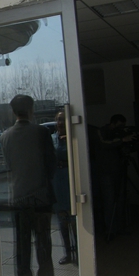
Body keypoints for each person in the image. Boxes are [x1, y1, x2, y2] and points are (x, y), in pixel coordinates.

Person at [0, 94, 61, 276]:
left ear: (13, 112)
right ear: (31, 110)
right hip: (41, 194)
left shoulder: (5, 136)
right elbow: (51, 162)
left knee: (22, 241)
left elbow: (9, 165)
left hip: (18, 196)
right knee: (43, 240)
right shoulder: (41, 132)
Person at [95, 113, 137, 239]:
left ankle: (119, 228)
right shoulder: (102, 131)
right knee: (109, 201)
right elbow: (104, 143)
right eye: (119, 125)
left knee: (120, 200)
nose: (121, 128)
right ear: (112, 123)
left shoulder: (120, 133)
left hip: (119, 170)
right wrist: (122, 140)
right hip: (106, 171)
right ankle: (110, 230)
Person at [51, 111, 77, 265]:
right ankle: (68, 253)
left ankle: (79, 252)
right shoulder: (52, 139)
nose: (60, 123)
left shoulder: (74, 138)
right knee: (62, 220)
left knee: (73, 219)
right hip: (57, 180)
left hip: (70, 178)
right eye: (58, 119)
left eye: (62, 120)